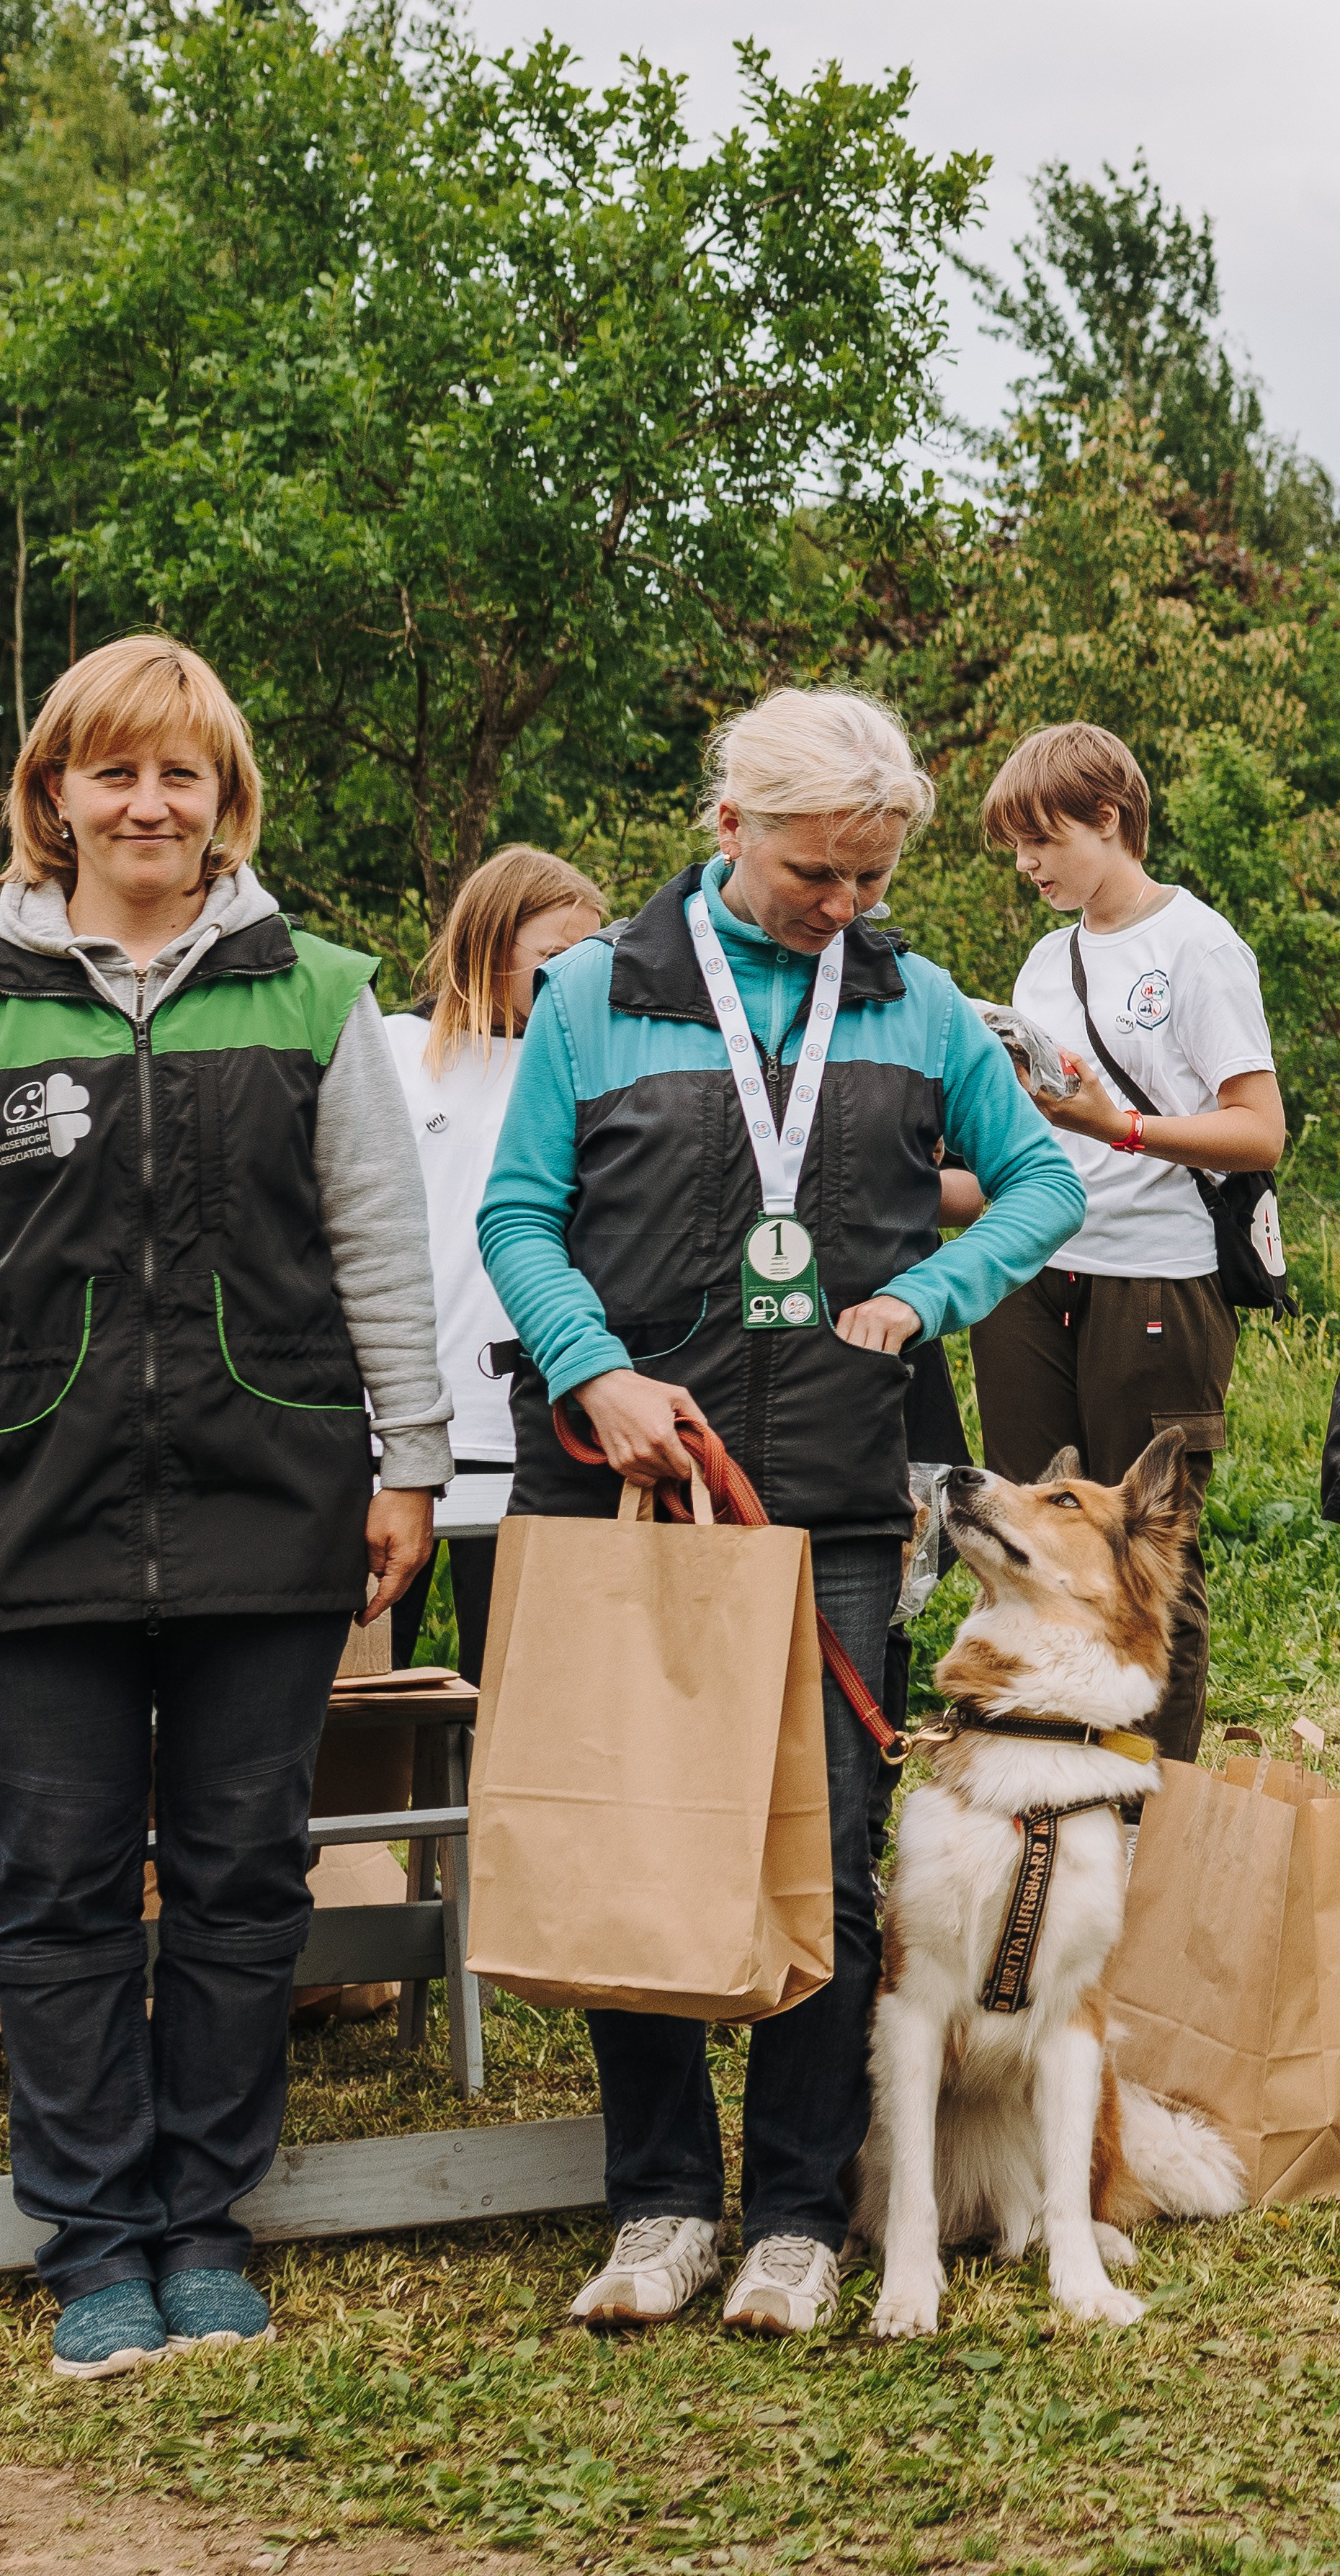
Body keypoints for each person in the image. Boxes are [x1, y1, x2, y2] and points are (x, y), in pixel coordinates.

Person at [0, 635, 452, 2379]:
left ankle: (204, 2216)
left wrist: (410, 1460)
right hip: (26, 1502)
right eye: (113, 770)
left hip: (274, 1493)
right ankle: (95, 2234)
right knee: (63, 1880)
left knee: (248, 1872)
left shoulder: (319, 990)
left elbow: (382, 1252)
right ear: (54, 797)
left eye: (180, 772)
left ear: (224, 798)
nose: (148, 801)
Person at [477, 685, 1086, 2338]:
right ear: (727, 829)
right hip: (624, 1487)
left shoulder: (920, 1002)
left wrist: (933, 1292)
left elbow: (1043, 1180)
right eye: (817, 872)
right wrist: (591, 1371)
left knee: (825, 1850)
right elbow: (517, 1215)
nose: (841, 906)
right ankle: (659, 2201)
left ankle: (798, 2213)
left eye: (867, 879)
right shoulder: (590, 994)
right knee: (637, 1829)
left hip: (828, 1493)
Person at [969, 721, 1285, 1763]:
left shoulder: (1197, 945)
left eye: (1041, 840)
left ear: (1109, 818)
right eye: (1014, 847)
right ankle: (1038, 1797)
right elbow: (1032, 1129)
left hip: (1156, 1278)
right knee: (1021, 1546)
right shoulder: (1044, 961)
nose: (1026, 865)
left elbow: (1257, 1130)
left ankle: (1153, 1815)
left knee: (1149, 1565)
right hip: (1034, 1272)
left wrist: (1123, 1127)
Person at [383, 845, 607, 1682]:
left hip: (530, 1428)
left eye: (587, 962)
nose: (570, 983)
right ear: (488, 941)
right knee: (357, 1682)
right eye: (552, 959)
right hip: (393, 1424)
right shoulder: (389, 1048)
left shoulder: (591, 1070)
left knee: (518, 1685)